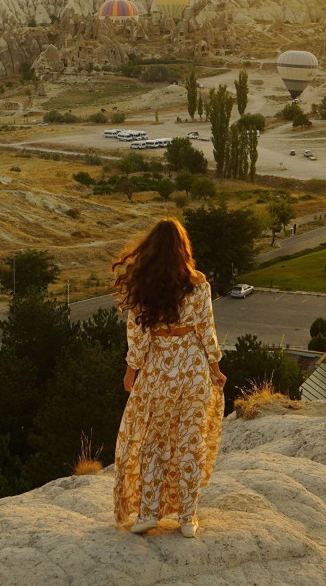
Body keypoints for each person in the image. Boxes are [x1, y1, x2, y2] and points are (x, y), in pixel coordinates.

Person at [112, 218, 226, 538]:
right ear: (182, 249)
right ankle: (187, 519)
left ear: (151, 250)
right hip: (192, 370)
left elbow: (138, 336)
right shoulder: (198, 283)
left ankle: (148, 513)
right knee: (191, 442)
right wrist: (215, 368)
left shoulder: (144, 285)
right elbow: (207, 331)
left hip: (159, 372)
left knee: (154, 444)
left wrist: (131, 371)